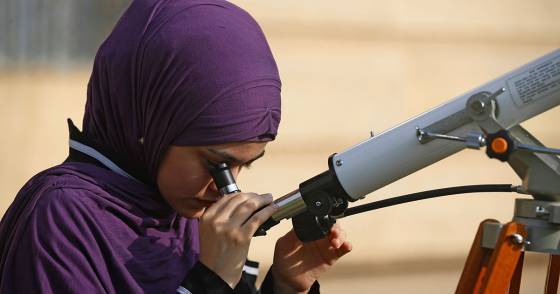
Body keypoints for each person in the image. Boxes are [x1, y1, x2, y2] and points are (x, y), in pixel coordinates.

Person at [0, 0, 352, 293]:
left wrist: (285, 286)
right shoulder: (60, 218)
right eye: (215, 164)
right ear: (150, 121)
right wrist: (211, 280)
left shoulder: (182, 214)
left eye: (247, 165)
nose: (225, 190)